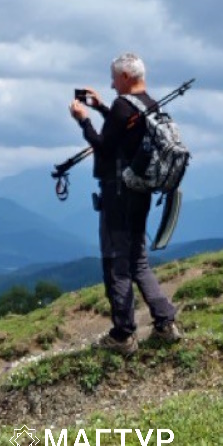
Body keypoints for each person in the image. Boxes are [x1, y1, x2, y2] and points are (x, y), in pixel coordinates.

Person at [70, 52, 182, 355]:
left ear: (124, 77)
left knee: (116, 262)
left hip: (118, 193)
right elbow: (126, 132)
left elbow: (105, 147)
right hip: (141, 191)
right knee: (138, 259)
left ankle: (123, 335)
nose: (109, 82)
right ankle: (165, 322)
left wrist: (84, 121)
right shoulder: (148, 103)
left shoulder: (123, 105)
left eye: (113, 77)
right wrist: (103, 107)